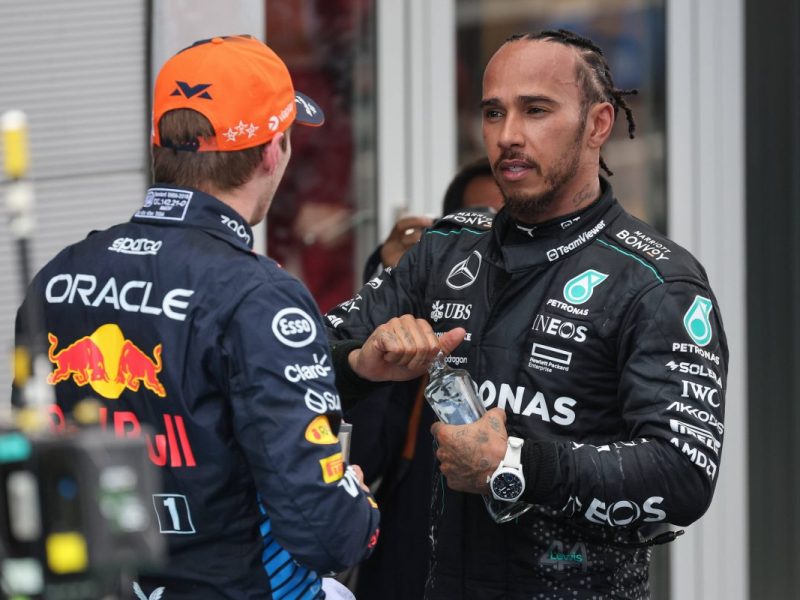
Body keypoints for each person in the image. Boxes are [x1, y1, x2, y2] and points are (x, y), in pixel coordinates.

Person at [325, 29, 727, 599]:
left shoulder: (657, 281)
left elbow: (683, 474)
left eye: (536, 110)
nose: (508, 135)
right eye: (494, 112)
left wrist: (513, 464)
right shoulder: (446, 249)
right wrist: (360, 363)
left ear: (598, 125)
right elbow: (297, 366)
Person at [14, 35, 379, 600]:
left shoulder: (59, 276)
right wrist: (357, 505)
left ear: (159, 147)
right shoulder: (260, 297)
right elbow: (327, 535)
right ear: (272, 152)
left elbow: (34, 473)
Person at [347, 158, 503, 600]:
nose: (493, 238)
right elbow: (361, 454)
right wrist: (393, 284)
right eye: (477, 223)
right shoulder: (424, 339)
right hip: (413, 564)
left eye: (506, 223)